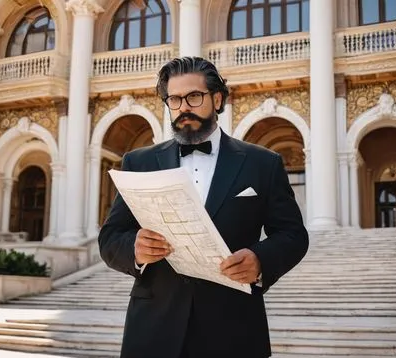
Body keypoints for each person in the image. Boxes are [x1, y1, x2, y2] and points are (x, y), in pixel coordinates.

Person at [98, 56, 309, 358]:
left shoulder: (264, 163)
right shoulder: (138, 162)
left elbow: (293, 235)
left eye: (194, 97)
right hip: (153, 331)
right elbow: (110, 238)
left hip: (234, 331)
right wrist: (135, 248)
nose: (183, 107)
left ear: (218, 98)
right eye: (174, 99)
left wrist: (261, 260)